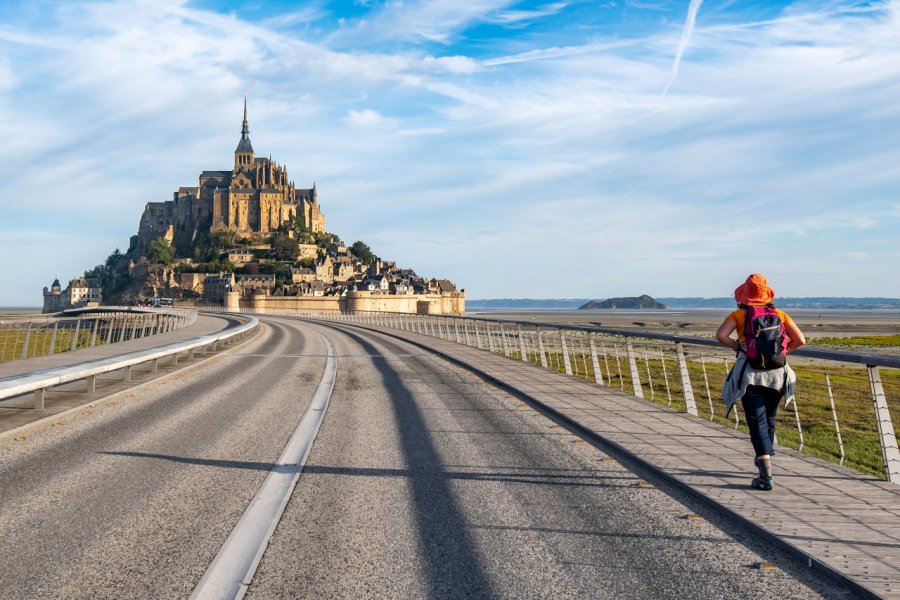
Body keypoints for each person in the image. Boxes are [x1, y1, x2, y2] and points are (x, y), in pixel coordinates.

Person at [716, 274, 805, 491]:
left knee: (756, 420)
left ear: (744, 297)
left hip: (751, 376)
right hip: (777, 375)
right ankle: (765, 460)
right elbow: (800, 340)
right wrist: (781, 352)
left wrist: (739, 348)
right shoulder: (780, 314)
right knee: (769, 417)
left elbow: (720, 335)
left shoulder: (738, 315)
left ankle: (765, 474)